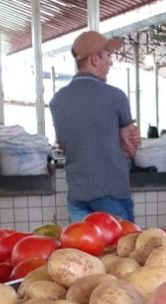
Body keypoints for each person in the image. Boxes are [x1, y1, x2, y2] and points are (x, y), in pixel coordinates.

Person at [50, 30, 140, 223]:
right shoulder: (116, 96)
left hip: (77, 196)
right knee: (121, 250)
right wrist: (128, 145)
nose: (111, 62)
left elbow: (63, 145)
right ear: (95, 59)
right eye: (108, 56)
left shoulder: (57, 101)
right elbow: (129, 148)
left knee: (83, 251)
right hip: (112, 194)